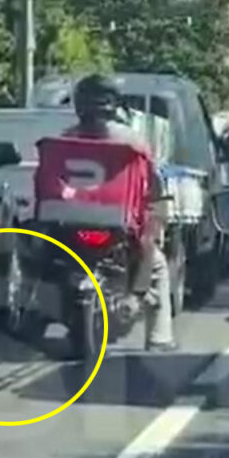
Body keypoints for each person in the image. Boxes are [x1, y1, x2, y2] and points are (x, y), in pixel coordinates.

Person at [64, 73, 178, 353]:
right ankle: (159, 337)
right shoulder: (133, 142)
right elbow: (151, 185)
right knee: (158, 264)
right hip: (119, 224)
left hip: (69, 221)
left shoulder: (64, 138)